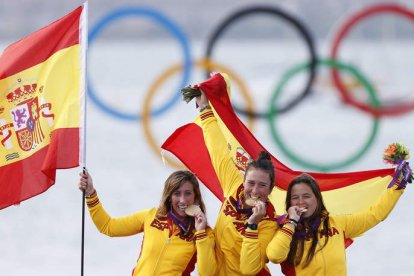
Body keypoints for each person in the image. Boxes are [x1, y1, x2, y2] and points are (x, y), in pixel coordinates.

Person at [266, 162, 413, 276]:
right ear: (289, 203)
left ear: (317, 198)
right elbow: (274, 256)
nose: (300, 202)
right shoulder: (283, 229)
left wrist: (397, 187)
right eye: (295, 198)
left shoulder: (338, 224)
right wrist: (291, 223)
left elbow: (375, 214)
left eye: (306, 196)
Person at [192, 90, 279, 275]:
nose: (254, 191)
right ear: (244, 180)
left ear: (271, 188)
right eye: (251, 183)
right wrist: (205, 109)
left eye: (262, 185)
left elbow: (249, 269)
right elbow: (218, 150)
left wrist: (253, 225)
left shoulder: (269, 224)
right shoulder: (234, 185)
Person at [78, 170, 216, 276]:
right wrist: (90, 194)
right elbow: (108, 227)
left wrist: (200, 233)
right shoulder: (152, 216)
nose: (182, 200)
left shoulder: (205, 233)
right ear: (169, 196)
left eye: (187, 193)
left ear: (196, 197)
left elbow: (207, 273)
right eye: (176, 193)